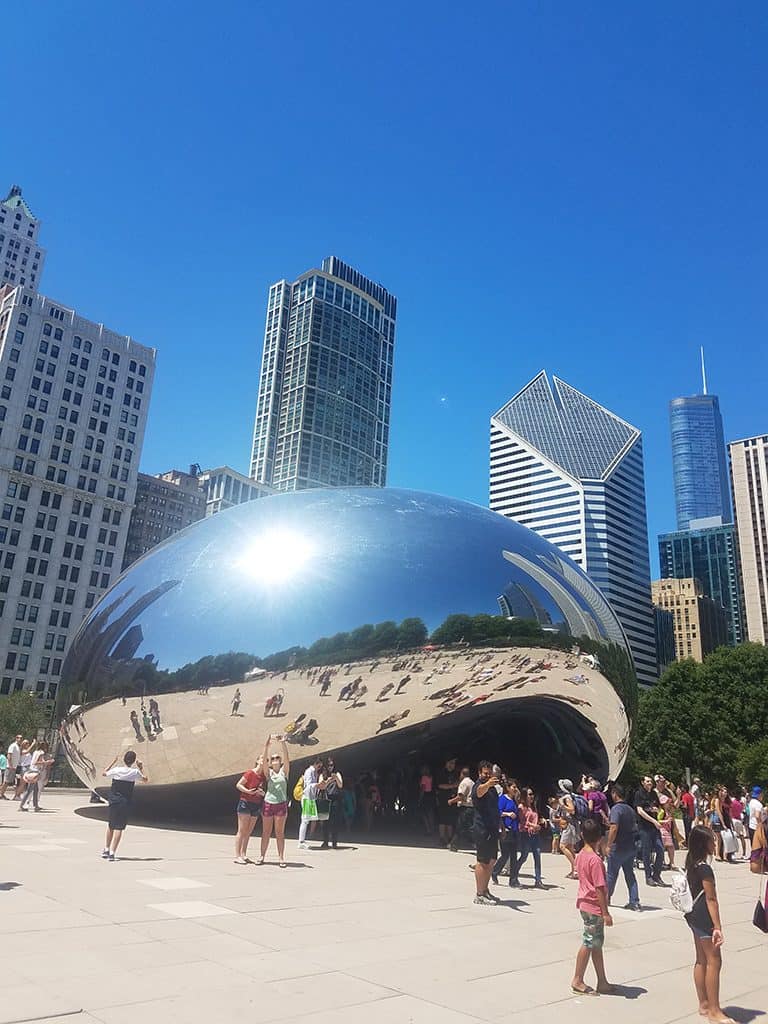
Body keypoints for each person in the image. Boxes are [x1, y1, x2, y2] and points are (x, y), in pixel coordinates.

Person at [683, 826, 734, 1024]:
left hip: (693, 915)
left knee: (701, 960)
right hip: (704, 918)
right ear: (703, 844)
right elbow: (711, 899)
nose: (715, 844)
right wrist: (718, 926)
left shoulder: (692, 864)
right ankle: (714, 1010)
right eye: (712, 841)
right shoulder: (704, 868)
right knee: (714, 961)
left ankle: (704, 1003)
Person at [571, 818, 614, 996]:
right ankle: (578, 979)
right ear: (600, 838)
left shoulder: (580, 855)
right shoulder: (595, 861)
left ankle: (602, 981)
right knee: (589, 942)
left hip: (584, 904)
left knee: (596, 944)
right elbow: (599, 888)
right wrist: (605, 912)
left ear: (582, 835)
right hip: (594, 907)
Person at [102, 751, 148, 860]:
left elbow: (104, 773)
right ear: (133, 761)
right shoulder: (134, 772)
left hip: (113, 800)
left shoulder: (117, 770)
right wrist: (141, 767)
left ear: (124, 759)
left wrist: (112, 762)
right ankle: (113, 852)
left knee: (111, 825)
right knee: (119, 828)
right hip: (125, 802)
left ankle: (106, 849)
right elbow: (145, 779)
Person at [606, 783, 640, 911]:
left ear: (615, 794)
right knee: (630, 874)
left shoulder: (616, 809)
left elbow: (614, 828)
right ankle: (634, 900)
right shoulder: (630, 809)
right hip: (630, 846)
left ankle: (606, 897)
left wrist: (608, 845)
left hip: (618, 847)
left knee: (611, 875)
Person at [471, 760, 501, 905]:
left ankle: (485, 889)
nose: (487, 775)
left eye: (489, 773)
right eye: (485, 773)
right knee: (482, 861)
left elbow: (496, 808)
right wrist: (487, 784)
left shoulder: (493, 789)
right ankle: (479, 894)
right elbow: (479, 792)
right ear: (479, 773)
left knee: (491, 860)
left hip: (493, 828)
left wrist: (501, 825)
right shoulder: (479, 785)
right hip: (482, 829)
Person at [258, 734, 290, 866]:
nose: (275, 759)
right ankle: (261, 856)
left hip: (281, 804)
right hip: (268, 804)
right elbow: (264, 763)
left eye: (277, 758)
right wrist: (266, 747)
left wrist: (283, 743)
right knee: (266, 832)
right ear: (271, 762)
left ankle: (281, 858)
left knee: (279, 833)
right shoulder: (269, 773)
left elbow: (288, 759)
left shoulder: (284, 772)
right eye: (273, 758)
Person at [234, 756, 265, 864]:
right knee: (242, 830)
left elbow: (264, 791)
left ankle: (243, 854)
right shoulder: (250, 773)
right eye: (261, 759)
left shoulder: (263, 776)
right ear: (257, 761)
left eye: (266, 760)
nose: (263, 761)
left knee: (248, 831)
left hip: (256, 804)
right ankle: (237, 855)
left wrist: (262, 793)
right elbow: (238, 784)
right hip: (245, 802)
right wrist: (248, 791)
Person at [635, 775, 665, 887]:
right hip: (644, 827)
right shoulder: (639, 794)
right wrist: (653, 820)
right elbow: (640, 811)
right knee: (646, 852)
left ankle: (656, 874)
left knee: (660, 850)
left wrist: (657, 810)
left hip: (654, 827)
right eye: (647, 781)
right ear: (643, 782)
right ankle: (648, 876)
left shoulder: (653, 794)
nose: (649, 783)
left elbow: (658, 806)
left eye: (650, 781)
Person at [492, 779, 520, 888]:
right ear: (507, 788)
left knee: (514, 856)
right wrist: (507, 814)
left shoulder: (514, 800)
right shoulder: (502, 799)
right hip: (505, 829)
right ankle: (495, 871)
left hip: (514, 830)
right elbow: (497, 812)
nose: (515, 789)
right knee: (505, 854)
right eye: (513, 787)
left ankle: (513, 880)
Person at [516, 787, 544, 888]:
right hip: (525, 834)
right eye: (529, 794)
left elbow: (536, 818)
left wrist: (540, 822)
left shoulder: (534, 807)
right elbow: (522, 821)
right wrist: (532, 825)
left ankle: (538, 880)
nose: (532, 796)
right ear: (524, 796)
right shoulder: (521, 807)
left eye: (532, 794)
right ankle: (514, 875)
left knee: (537, 856)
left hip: (535, 834)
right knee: (524, 856)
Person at [19, 741, 54, 812]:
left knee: (36, 789)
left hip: (32, 770)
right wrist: (47, 762)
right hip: (35, 772)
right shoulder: (41, 753)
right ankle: (22, 805)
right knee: (30, 790)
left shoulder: (35, 752)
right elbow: (36, 762)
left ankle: (36, 805)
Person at [298, 757, 324, 850]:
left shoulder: (314, 772)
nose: (320, 766)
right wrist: (317, 785)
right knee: (305, 820)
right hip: (307, 798)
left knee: (308, 819)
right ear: (316, 763)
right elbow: (308, 785)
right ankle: (301, 841)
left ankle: (303, 840)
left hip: (311, 798)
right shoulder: (309, 771)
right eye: (319, 764)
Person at [557, 779, 580, 880]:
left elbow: (572, 810)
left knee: (562, 846)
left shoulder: (567, 798)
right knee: (570, 847)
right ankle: (575, 870)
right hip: (571, 824)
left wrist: (562, 805)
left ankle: (575, 868)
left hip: (569, 825)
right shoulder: (571, 796)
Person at [319, 757, 344, 850]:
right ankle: (325, 841)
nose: (330, 767)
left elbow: (341, 785)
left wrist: (336, 778)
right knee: (325, 821)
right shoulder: (322, 775)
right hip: (325, 799)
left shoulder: (337, 774)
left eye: (332, 765)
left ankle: (334, 842)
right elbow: (321, 786)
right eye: (329, 765)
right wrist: (329, 780)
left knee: (335, 821)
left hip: (335, 799)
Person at [448, 766, 474, 852]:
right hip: (472, 808)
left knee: (461, 827)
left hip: (465, 807)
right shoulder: (472, 782)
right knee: (467, 826)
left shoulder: (463, 783)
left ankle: (454, 844)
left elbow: (461, 796)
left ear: (462, 774)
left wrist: (451, 801)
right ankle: (455, 844)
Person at [436, 757, 459, 848]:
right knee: (442, 820)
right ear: (446, 763)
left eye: (453, 763)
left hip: (453, 800)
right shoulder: (441, 773)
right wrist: (452, 785)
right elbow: (440, 785)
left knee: (450, 820)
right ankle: (442, 838)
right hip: (443, 799)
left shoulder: (456, 773)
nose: (451, 765)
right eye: (450, 763)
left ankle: (450, 839)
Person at [0, 734, 20, 799]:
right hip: (10, 767)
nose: (20, 739)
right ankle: (1, 794)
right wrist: (10, 765)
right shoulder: (13, 745)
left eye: (21, 738)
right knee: (6, 782)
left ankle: (2, 794)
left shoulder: (17, 746)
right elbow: (9, 755)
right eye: (18, 737)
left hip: (13, 767)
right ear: (16, 738)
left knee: (8, 782)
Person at [729, 787, 747, 860]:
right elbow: (742, 810)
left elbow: (730, 811)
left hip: (733, 819)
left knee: (733, 837)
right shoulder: (741, 803)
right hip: (739, 820)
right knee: (742, 836)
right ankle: (744, 853)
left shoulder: (732, 802)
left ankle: (733, 853)